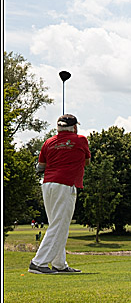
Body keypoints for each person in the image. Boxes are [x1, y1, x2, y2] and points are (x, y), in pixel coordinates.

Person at [29, 114, 91, 274]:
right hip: (65, 184)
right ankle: (38, 262)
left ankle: (59, 264)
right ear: (75, 127)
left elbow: (41, 166)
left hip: (48, 184)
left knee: (56, 223)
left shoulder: (48, 142)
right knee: (59, 225)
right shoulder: (80, 140)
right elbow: (87, 161)